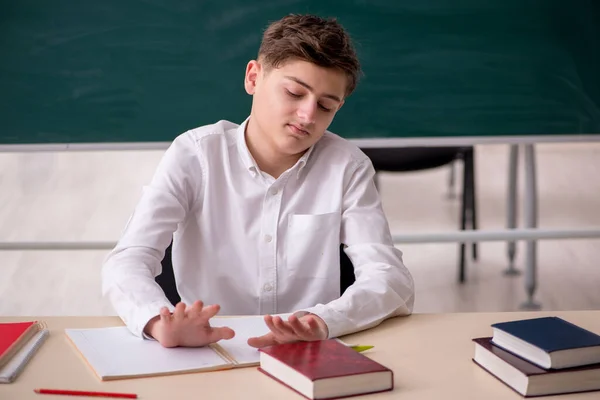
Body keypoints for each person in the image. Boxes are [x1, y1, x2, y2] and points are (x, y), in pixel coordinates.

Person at [102, 13, 414, 349]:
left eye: (326, 106)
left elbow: (389, 277)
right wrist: (157, 321)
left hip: (307, 352)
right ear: (254, 77)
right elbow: (128, 259)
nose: (308, 116)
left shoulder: (348, 167)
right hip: (209, 349)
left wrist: (322, 321)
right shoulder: (195, 154)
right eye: (295, 92)